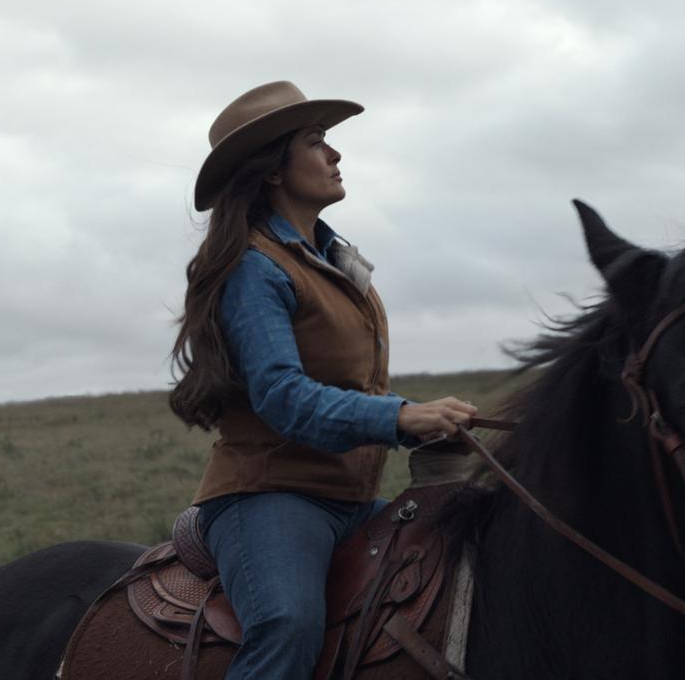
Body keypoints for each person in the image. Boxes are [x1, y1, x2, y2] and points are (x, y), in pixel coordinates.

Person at [168, 80, 477, 680]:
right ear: (273, 172)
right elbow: (284, 398)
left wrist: (424, 421)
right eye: (315, 143)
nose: (334, 155)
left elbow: (348, 391)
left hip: (352, 500)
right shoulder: (254, 269)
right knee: (286, 624)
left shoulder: (333, 264)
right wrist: (401, 417)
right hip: (270, 497)